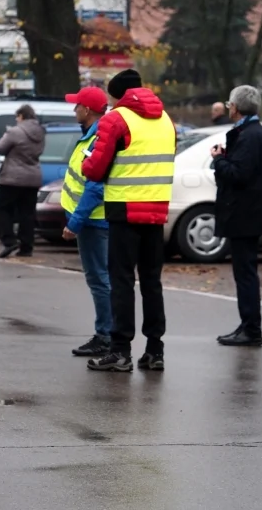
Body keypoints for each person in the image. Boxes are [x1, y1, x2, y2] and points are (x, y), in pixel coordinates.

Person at [81, 69, 175, 372]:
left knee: (122, 282)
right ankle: (155, 350)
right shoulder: (166, 121)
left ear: (116, 95)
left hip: (124, 210)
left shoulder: (116, 120)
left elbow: (95, 169)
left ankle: (120, 351)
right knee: (152, 282)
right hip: (157, 210)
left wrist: (86, 159)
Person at [212, 86, 262, 347]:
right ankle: (247, 325)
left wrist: (219, 160)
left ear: (235, 108)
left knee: (246, 273)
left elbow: (238, 174)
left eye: (230, 104)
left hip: (245, 216)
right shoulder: (257, 135)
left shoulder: (250, 137)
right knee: (245, 272)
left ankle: (251, 329)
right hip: (251, 214)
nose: (228, 108)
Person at [61, 87, 113, 357]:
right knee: (100, 278)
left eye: (77, 105)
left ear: (89, 110)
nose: (74, 109)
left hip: (94, 222)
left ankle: (106, 335)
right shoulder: (91, 136)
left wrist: (75, 223)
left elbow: (94, 188)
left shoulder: (97, 139)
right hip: (91, 221)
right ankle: (107, 332)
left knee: (99, 279)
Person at [0, 104, 46, 258]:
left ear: (21, 116)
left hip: (12, 178)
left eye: (17, 117)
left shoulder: (15, 131)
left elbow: (0, 148)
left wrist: (6, 134)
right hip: (33, 177)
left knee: (2, 209)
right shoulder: (40, 132)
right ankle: (26, 247)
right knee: (27, 213)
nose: (16, 120)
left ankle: (9, 240)